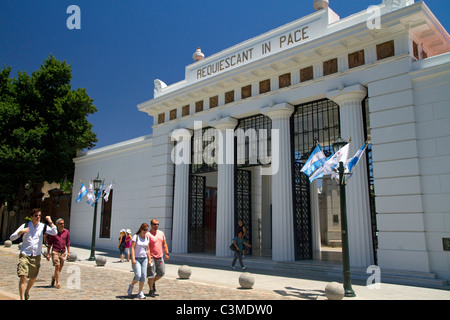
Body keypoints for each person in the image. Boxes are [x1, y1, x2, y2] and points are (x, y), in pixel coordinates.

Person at [10, 209, 57, 300]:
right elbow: (12, 238)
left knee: (33, 277)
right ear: (31, 217)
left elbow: (54, 232)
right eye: (36, 215)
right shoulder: (25, 225)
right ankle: (22, 298)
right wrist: (21, 232)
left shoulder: (43, 227)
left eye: (39, 215)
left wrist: (50, 222)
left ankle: (27, 291)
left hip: (36, 256)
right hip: (25, 254)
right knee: (23, 276)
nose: (38, 217)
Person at [127, 223, 151, 299]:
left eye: (146, 230)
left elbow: (148, 249)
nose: (145, 231)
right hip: (136, 258)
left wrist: (149, 259)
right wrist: (133, 259)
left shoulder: (147, 237)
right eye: (144, 229)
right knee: (138, 275)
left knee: (143, 276)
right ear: (140, 229)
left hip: (144, 259)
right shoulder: (135, 237)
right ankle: (131, 285)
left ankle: (140, 292)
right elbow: (132, 248)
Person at [147, 219, 169, 298]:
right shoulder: (148, 235)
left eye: (157, 224)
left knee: (161, 273)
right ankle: (151, 290)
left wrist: (167, 253)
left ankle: (152, 282)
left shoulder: (161, 233)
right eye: (155, 224)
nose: (156, 225)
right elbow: (147, 248)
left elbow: (164, 244)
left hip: (160, 257)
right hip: (152, 257)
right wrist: (149, 258)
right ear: (151, 225)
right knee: (151, 274)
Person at [46, 218, 70, 289]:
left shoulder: (66, 232)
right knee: (57, 266)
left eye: (63, 223)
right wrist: (48, 253)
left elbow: (68, 242)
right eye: (60, 223)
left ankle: (54, 276)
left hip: (63, 252)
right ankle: (57, 283)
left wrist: (68, 252)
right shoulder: (53, 233)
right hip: (55, 251)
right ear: (57, 225)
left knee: (61, 267)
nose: (62, 225)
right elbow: (49, 244)